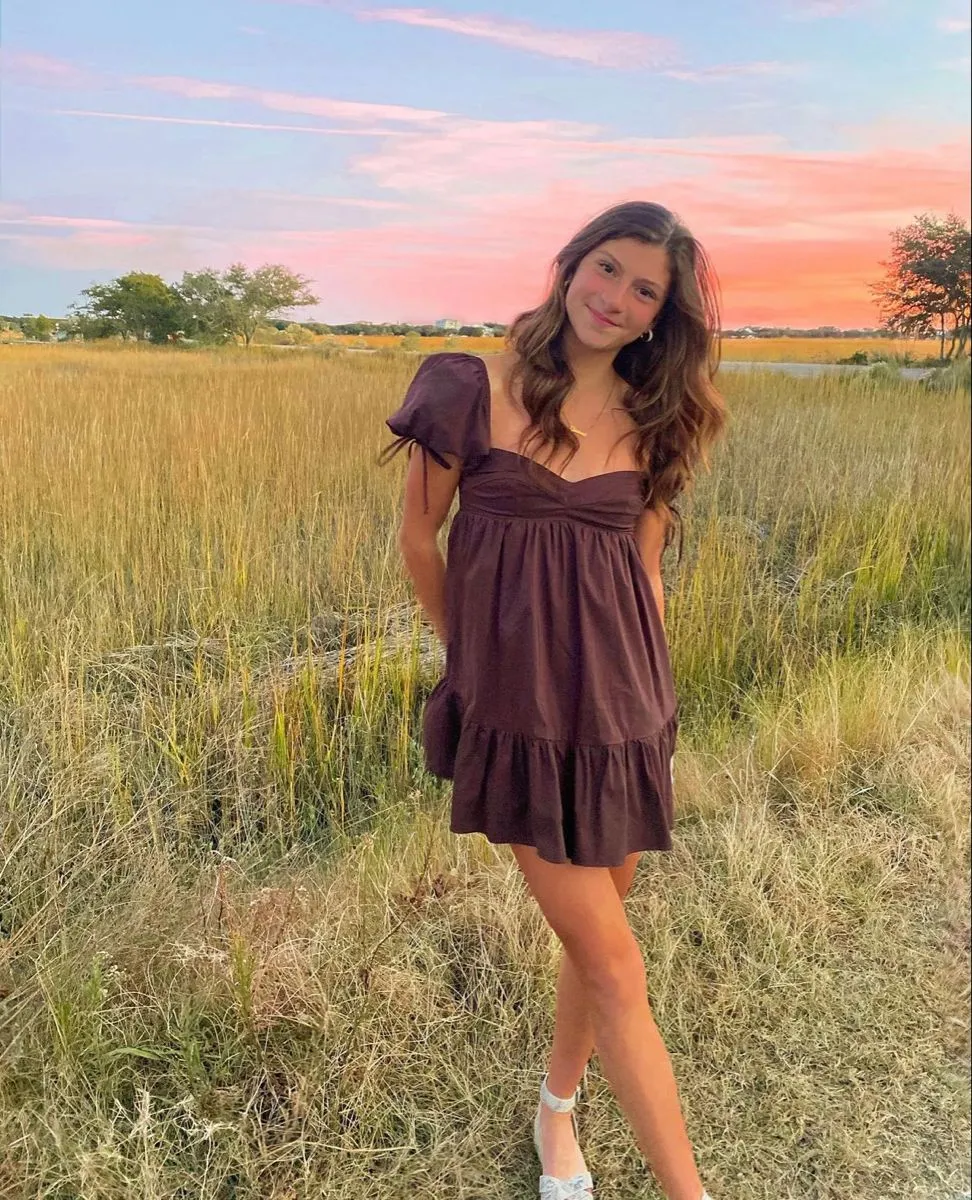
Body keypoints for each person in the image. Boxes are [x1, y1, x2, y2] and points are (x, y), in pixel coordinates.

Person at [378, 201, 728, 1200]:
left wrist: (653, 697)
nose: (616, 298)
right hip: (520, 720)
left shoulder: (657, 420)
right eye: (607, 268)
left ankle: (556, 1111)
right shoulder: (468, 389)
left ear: (661, 316)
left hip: (624, 715)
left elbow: (644, 574)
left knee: (597, 936)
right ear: (572, 263)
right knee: (617, 966)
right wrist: (472, 666)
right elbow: (419, 539)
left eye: (645, 290)